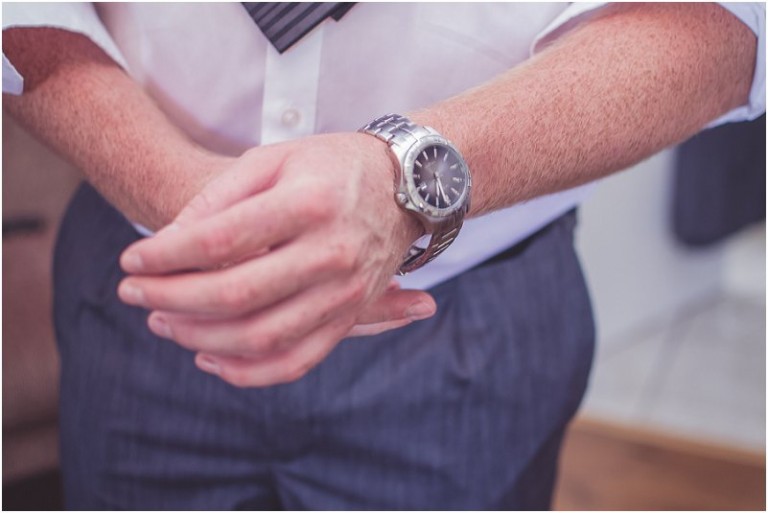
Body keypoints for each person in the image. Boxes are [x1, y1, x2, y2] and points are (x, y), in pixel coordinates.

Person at [2, 3, 764, 509]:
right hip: (147, 284)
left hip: (469, 316)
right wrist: (183, 195)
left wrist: (404, 179)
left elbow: (723, 25)